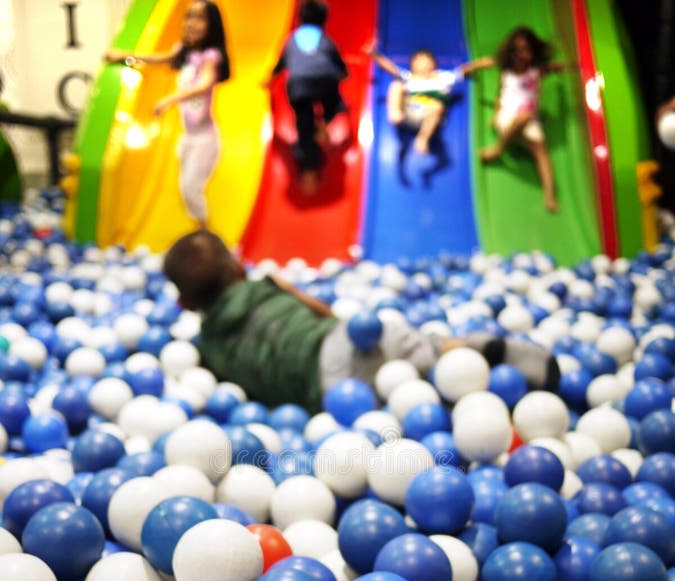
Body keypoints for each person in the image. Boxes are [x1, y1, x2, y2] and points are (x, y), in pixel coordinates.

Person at [163, 230, 559, 414]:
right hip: (342, 341)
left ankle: (457, 391)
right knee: (420, 349)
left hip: (328, 399)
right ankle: (462, 351)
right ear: (238, 267)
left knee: (408, 404)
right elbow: (322, 311)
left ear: (184, 303)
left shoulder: (208, 349)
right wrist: (300, 298)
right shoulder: (264, 285)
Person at [105, 0, 230, 226]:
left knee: (190, 187)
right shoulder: (184, 52)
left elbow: (204, 84)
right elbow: (156, 58)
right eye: (189, 16)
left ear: (212, 25)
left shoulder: (211, 56)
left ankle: (206, 232)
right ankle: (200, 229)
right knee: (185, 189)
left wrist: (170, 99)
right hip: (188, 137)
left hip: (205, 138)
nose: (191, 23)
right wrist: (124, 56)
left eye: (200, 18)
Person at [463, 26, 569, 212]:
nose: (520, 55)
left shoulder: (537, 70)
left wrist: (562, 69)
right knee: (525, 117)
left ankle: (550, 195)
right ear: (509, 52)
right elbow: (486, 62)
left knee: (540, 149)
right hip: (506, 117)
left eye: (526, 50)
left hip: (529, 122)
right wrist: (468, 69)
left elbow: (555, 68)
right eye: (516, 50)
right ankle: (498, 149)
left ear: (534, 52)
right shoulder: (507, 69)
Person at [268, 0, 348, 196]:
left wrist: (269, 79)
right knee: (334, 103)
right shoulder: (325, 39)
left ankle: (309, 166)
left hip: (298, 85)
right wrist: (343, 73)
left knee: (303, 120)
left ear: (299, 19)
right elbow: (337, 62)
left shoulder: (292, 38)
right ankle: (325, 122)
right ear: (324, 21)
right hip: (325, 81)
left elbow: (281, 63)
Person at [366, 45, 467, 155]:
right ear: (412, 65)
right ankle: (395, 114)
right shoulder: (409, 77)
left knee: (437, 105)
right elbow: (391, 68)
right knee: (397, 85)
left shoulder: (442, 77)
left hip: (429, 118)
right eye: (418, 61)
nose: (423, 64)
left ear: (433, 64)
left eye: (426, 61)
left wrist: (478, 64)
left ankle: (423, 139)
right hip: (409, 114)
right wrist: (375, 55)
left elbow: (462, 71)